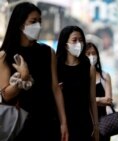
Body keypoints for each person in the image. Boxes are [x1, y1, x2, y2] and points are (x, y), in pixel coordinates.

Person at [0, 2, 68, 141]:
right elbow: (6, 95)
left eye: (40, 21)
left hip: (48, 120)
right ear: (20, 24)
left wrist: (63, 123)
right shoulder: (5, 55)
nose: (38, 25)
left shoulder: (48, 52)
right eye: (33, 21)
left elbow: (55, 88)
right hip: (20, 124)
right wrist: (23, 78)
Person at [56, 26, 99, 141]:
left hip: (83, 123)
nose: (79, 43)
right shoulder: (55, 67)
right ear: (65, 44)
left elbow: (92, 99)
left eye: (81, 40)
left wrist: (96, 125)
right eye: (74, 40)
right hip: (60, 123)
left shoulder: (89, 68)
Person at [85, 42, 113, 141]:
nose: (91, 56)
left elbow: (108, 100)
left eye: (94, 53)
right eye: (88, 54)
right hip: (85, 121)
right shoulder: (80, 77)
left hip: (103, 122)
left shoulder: (105, 76)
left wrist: (90, 100)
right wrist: (100, 100)